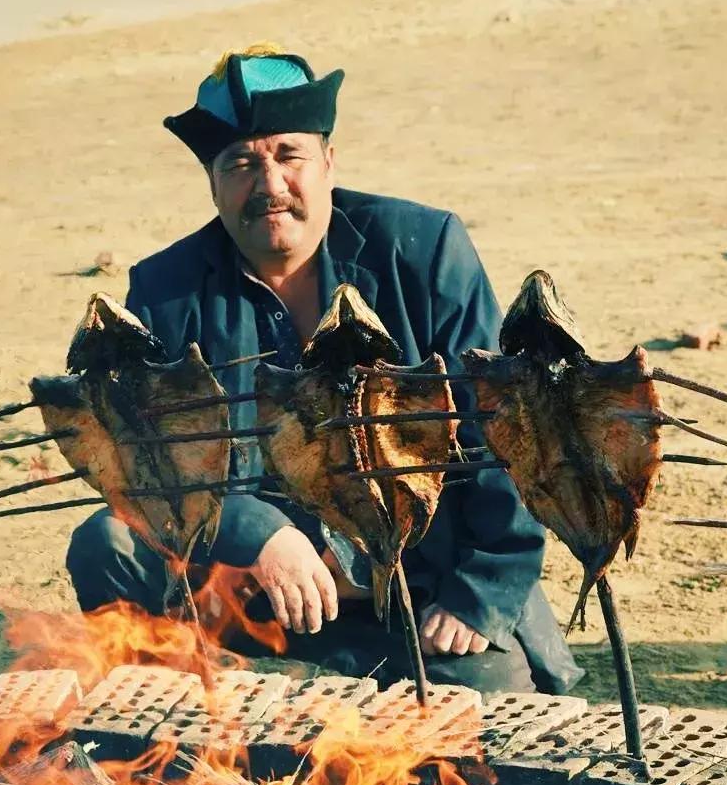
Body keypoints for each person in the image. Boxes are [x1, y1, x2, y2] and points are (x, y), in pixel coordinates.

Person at [66, 44, 583, 697]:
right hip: (250, 592)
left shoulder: (423, 253)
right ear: (215, 183)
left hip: (417, 590)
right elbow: (151, 464)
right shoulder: (166, 291)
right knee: (105, 543)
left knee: (487, 718)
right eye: (242, 164)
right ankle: (180, 728)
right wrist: (258, 532)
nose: (270, 184)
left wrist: (481, 591)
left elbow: (504, 431)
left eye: (288, 156)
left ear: (328, 162)